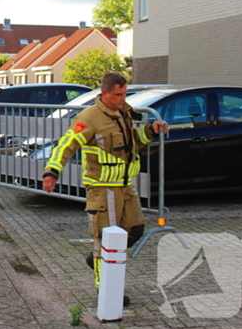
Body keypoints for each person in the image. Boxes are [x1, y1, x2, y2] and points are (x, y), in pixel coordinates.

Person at [42, 72, 167, 305]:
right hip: (102, 189)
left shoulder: (124, 112)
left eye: (125, 93)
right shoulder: (89, 118)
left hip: (125, 186)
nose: (123, 98)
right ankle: (106, 290)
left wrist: (151, 131)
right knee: (105, 239)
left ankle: (96, 259)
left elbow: (132, 142)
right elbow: (66, 145)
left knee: (135, 231)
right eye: (118, 94)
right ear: (104, 93)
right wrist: (52, 172)